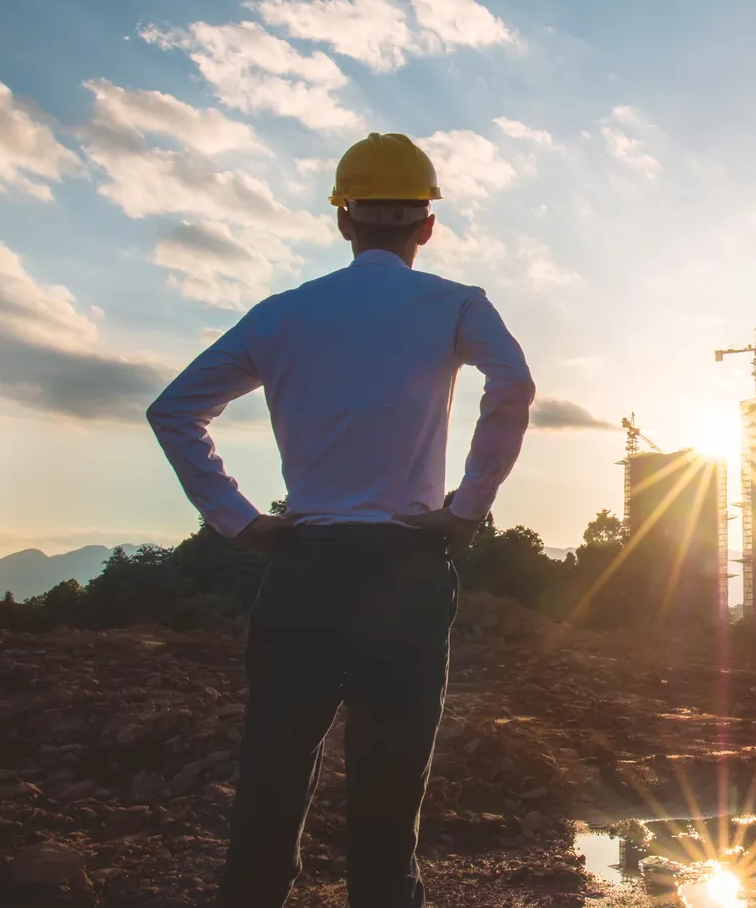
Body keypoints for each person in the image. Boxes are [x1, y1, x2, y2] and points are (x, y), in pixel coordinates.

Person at [147, 132, 535, 908]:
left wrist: (240, 520)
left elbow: (174, 411)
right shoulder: (457, 305)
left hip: (306, 567)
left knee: (273, 773)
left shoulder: (283, 315)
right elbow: (513, 386)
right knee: (391, 787)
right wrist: (467, 508)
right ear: (426, 224)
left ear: (342, 220)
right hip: (406, 571)